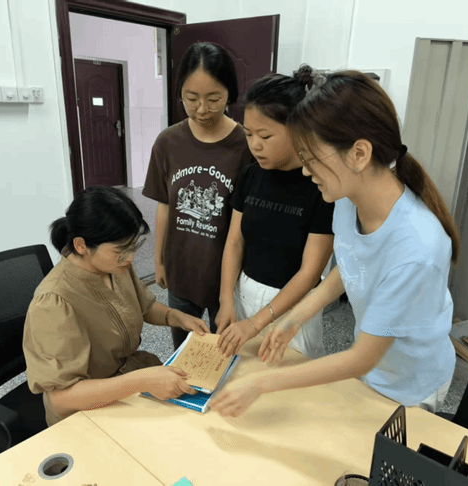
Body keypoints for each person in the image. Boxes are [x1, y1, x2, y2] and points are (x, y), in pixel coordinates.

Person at [210, 70, 460, 417]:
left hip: (410, 385)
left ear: (359, 154)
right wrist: (294, 319)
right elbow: (351, 266)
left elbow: (361, 358)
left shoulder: (417, 249)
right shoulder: (347, 199)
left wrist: (261, 383)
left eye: (312, 159)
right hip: (373, 370)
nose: (306, 171)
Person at [23, 186, 209, 426]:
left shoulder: (114, 266)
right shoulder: (53, 303)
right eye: (121, 250)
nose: (130, 258)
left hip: (129, 381)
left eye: (133, 247)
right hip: (85, 410)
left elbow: (143, 306)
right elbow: (60, 399)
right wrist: (141, 381)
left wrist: (176, 317)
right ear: (81, 245)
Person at [215, 68, 334, 359]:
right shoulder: (250, 175)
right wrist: (226, 299)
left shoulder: (322, 185)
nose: (255, 144)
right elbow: (234, 242)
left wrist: (256, 323)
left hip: (293, 307)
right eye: (248, 134)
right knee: (240, 371)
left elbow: (310, 273)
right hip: (244, 294)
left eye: (265, 135)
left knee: (285, 378)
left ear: (298, 129)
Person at [142, 42, 253, 349]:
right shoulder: (168, 142)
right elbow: (165, 205)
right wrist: (159, 261)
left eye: (214, 99)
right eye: (191, 99)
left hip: (228, 278)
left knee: (224, 355)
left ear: (230, 93)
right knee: (184, 353)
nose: (202, 109)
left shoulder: (246, 145)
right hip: (181, 270)